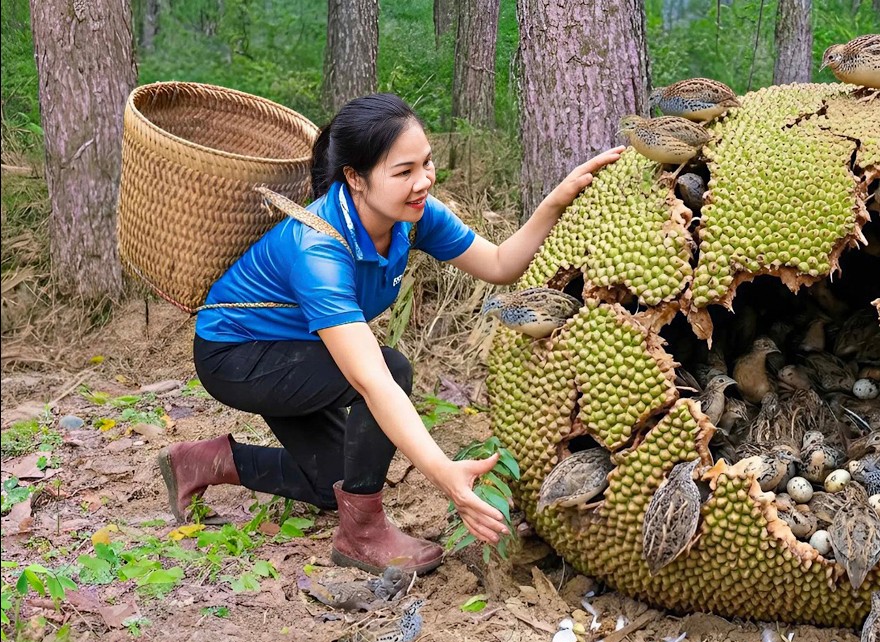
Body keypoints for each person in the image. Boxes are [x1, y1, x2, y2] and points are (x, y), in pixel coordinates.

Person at [159, 93, 623, 576]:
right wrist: (445, 474)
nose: (422, 181)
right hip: (238, 355)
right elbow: (371, 381)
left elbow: (501, 264)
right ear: (355, 178)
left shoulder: (414, 218)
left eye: (426, 163)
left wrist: (556, 199)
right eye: (403, 172)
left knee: (332, 485)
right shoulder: (318, 249)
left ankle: (203, 462)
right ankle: (361, 535)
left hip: (298, 349)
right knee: (391, 369)